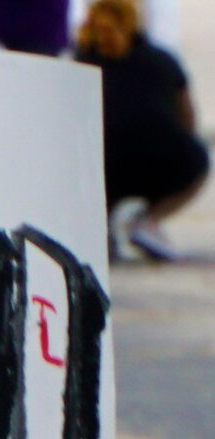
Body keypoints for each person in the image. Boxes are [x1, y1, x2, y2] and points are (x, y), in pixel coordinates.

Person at [80, 0, 208, 263]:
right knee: (199, 157)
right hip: (163, 162)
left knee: (90, 161)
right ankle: (147, 222)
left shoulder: (82, 62)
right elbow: (189, 119)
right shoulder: (162, 60)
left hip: (106, 167)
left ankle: (99, 229)